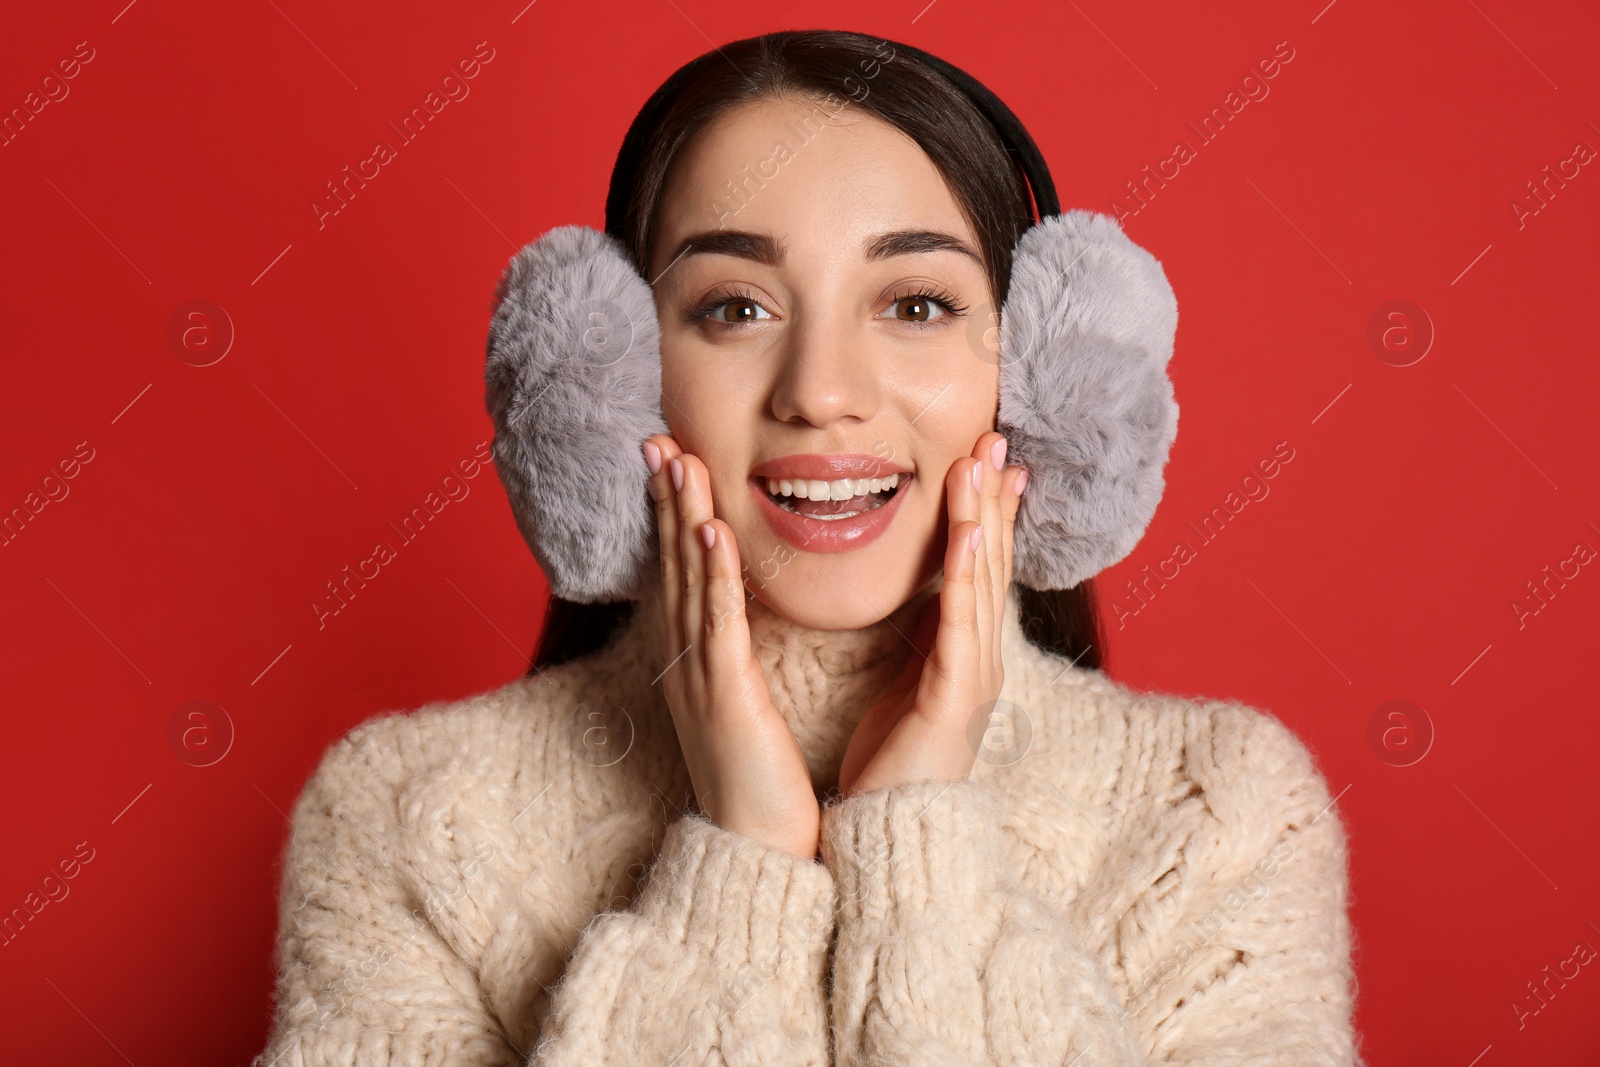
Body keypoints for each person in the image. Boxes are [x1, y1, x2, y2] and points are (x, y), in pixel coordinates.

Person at [254, 29, 1363, 1067]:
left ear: (1041, 379)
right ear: (613, 386)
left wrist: (918, 849)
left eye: (917, 303)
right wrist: (740, 861)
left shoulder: (1221, 813)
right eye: (735, 308)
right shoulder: (403, 814)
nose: (820, 393)